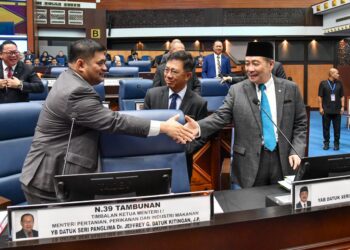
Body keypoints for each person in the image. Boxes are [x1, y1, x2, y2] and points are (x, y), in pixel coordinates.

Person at [20, 39, 194, 204]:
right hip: (50, 179)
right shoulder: (76, 91)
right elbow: (113, 122)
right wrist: (164, 126)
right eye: (100, 63)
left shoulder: (69, 78)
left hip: (55, 173)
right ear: (80, 64)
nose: (105, 67)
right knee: (59, 234)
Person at [185, 41, 307, 188]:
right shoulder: (237, 90)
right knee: (251, 207)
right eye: (247, 63)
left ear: (270, 65)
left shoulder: (290, 89)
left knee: (283, 205)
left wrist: (296, 150)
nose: (249, 69)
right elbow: (220, 116)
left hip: (283, 160)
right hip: (249, 162)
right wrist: (198, 127)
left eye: (255, 63)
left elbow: (300, 124)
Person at [144, 51, 208, 179]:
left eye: (174, 71)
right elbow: (145, 127)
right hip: (152, 160)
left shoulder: (198, 102)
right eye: (166, 70)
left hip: (182, 162)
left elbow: (201, 137)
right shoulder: (152, 95)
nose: (168, 75)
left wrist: (182, 150)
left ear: (188, 75)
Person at [318, 68, 344, 151]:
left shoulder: (339, 84)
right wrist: (320, 107)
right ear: (332, 74)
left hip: (337, 110)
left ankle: (336, 144)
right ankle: (326, 143)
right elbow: (320, 96)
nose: (338, 75)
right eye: (337, 73)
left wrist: (343, 107)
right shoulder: (323, 83)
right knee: (326, 128)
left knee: (337, 128)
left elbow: (342, 96)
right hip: (326, 110)